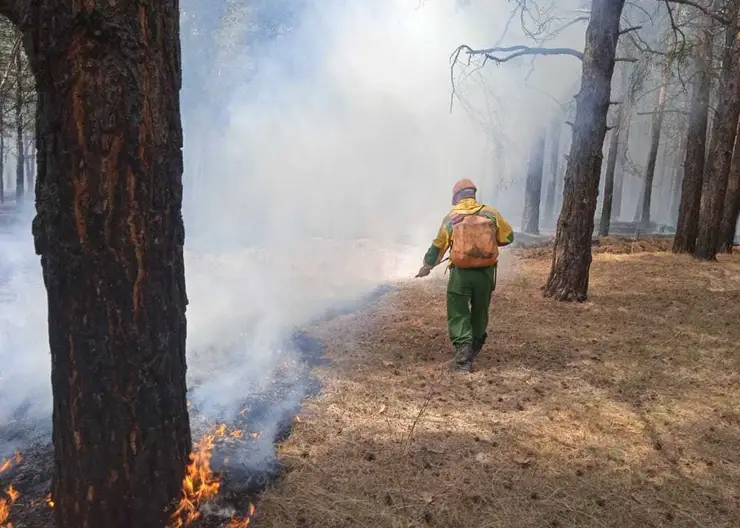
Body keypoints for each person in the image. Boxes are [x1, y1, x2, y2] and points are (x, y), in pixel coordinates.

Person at [416, 178, 514, 372]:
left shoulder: (452, 217)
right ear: (473, 195)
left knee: (458, 312)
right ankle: (475, 345)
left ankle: (463, 357)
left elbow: (438, 245)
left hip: (460, 274)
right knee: (480, 310)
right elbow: (508, 237)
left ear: (456, 198)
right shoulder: (491, 213)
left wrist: (427, 265)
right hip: (485, 273)